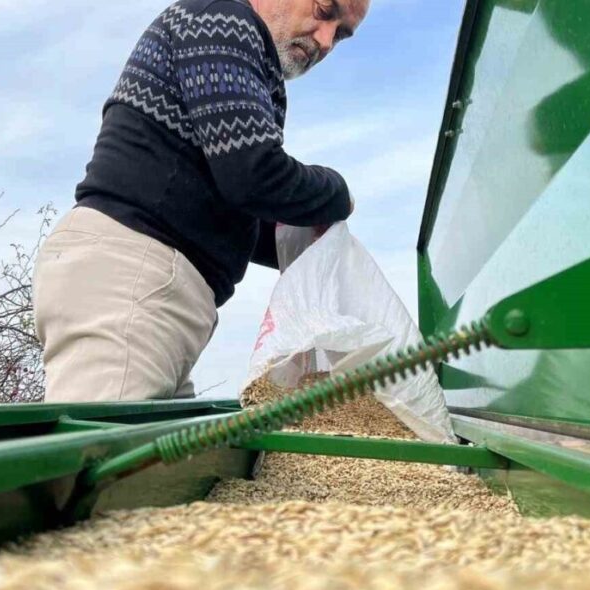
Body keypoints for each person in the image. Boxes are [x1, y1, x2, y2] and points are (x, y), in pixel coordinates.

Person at [33, 0, 369, 403]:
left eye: (342, 34)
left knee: (171, 461)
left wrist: (312, 248)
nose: (327, 41)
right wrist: (337, 193)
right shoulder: (222, 19)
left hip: (153, 290)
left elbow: (232, 201)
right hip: (133, 278)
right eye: (324, 10)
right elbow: (254, 173)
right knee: (101, 457)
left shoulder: (239, 49)